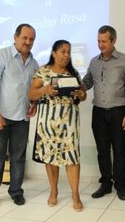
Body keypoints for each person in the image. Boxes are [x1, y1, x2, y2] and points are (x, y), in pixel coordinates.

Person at [0, 23, 39, 210]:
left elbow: (34, 89)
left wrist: (34, 104)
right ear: (15, 37)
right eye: (24, 37)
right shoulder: (0, 56)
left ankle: (16, 192)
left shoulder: (34, 63)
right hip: (0, 115)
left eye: (31, 39)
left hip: (22, 118)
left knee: (18, 157)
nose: (28, 42)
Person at [28, 40, 86, 212]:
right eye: (63, 51)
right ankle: (53, 191)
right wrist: (44, 90)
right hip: (48, 123)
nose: (67, 55)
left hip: (69, 123)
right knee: (51, 158)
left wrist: (80, 93)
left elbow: (83, 96)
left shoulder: (73, 73)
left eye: (69, 52)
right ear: (53, 53)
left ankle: (75, 195)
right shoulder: (43, 72)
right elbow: (31, 93)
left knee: (72, 158)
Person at [82, 25, 125, 201]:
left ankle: (120, 186)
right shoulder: (93, 62)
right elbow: (87, 83)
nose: (100, 44)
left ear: (114, 41)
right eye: (98, 41)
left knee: (119, 151)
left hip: (119, 112)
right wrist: (71, 86)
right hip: (98, 112)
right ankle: (106, 184)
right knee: (102, 151)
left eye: (104, 41)